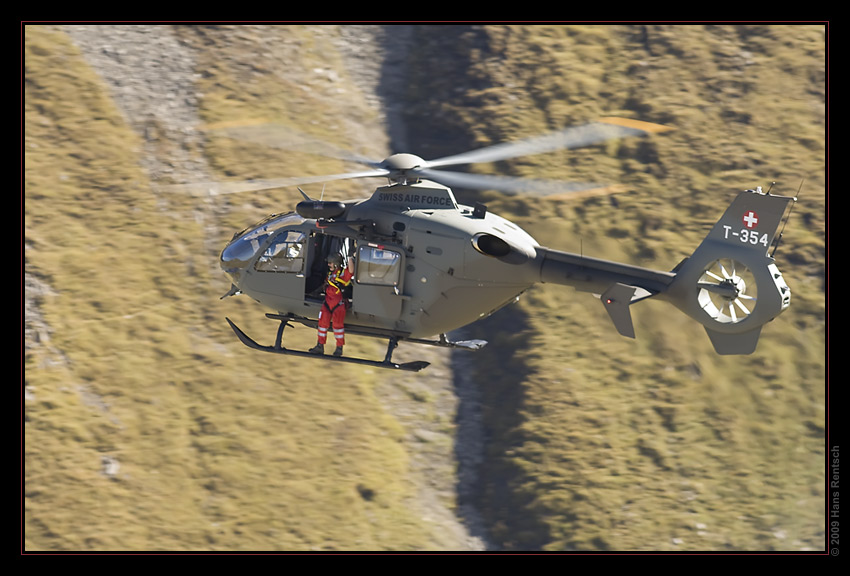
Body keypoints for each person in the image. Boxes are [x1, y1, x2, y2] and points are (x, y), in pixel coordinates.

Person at [309, 253, 354, 357]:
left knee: (337, 326)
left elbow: (351, 271)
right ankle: (320, 345)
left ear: (336, 264)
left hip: (339, 304)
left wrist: (350, 257)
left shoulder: (343, 273)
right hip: (327, 303)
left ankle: (339, 348)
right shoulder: (330, 274)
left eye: (330, 263)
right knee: (322, 324)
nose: (328, 264)